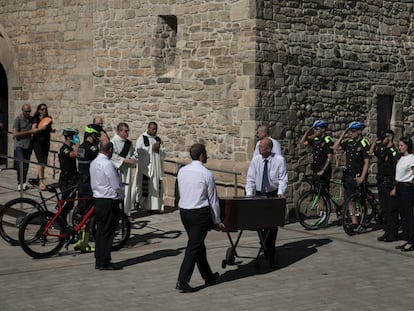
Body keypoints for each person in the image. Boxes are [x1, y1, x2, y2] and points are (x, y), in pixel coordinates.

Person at [176, 143, 225, 292]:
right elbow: (213, 200)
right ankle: (183, 280)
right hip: (199, 213)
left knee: (197, 245)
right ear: (202, 155)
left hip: (184, 211)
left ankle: (208, 275)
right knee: (193, 246)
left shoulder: (182, 171)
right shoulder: (206, 174)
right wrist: (217, 221)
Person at [245, 137, 288, 267]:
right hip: (259, 194)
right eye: (259, 147)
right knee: (260, 222)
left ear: (269, 149)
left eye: (261, 147)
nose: (259, 148)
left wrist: (281, 192)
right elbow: (250, 179)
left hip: (273, 193)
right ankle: (265, 245)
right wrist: (249, 196)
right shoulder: (256, 160)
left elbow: (283, 178)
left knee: (272, 223)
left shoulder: (279, 160)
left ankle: (270, 247)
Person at [90, 141, 125, 270]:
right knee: (108, 231)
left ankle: (99, 258)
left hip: (98, 199)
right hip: (108, 200)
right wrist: (122, 195)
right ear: (110, 150)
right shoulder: (108, 164)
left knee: (100, 230)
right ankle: (104, 260)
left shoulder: (94, 163)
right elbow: (116, 184)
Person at [333, 121, 371, 233]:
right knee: (350, 200)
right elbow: (335, 147)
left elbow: (366, 162)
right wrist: (342, 135)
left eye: (353, 131)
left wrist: (362, 177)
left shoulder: (364, 143)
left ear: (359, 132)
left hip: (358, 175)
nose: (351, 133)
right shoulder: (349, 142)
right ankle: (354, 222)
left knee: (361, 200)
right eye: (350, 131)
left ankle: (363, 223)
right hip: (348, 176)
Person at [299, 119, 334, 223]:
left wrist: (324, 170)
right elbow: (302, 142)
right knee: (318, 192)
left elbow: (329, 157)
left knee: (323, 193)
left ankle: (325, 214)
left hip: (324, 170)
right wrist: (307, 132)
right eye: (314, 129)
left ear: (323, 129)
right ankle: (322, 213)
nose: (315, 131)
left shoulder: (328, 140)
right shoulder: (315, 139)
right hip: (316, 169)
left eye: (316, 129)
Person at [74, 124, 102, 252]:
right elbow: (102, 157)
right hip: (88, 183)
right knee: (88, 214)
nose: (98, 137)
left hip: (81, 182)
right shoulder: (91, 147)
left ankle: (82, 241)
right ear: (93, 134)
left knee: (82, 212)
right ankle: (83, 242)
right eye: (97, 135)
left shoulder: (81, 147)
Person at [368, 130, 398, 242]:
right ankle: (387, 231)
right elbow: (370, 153)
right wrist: (375, 143)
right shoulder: (382, 150)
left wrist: (395, 187)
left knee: (391, 210)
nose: (381, 140)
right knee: (384, 210)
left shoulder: (394, 152)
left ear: (390, 138)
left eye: (383, 138)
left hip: (390, 183)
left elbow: (396, 170)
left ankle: (393, 233)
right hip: (381, 182)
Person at [134, 121, 165, 213]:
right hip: (146, 168)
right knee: (145, 187)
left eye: (156, 129)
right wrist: (151, 148)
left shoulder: (158, 139)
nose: (154, 131)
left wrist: (159, 150)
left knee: (157, 186)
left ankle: (155, 207)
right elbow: (138, 152)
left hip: (156, 168)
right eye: (152, 129)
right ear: (148, 128)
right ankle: (143, 205)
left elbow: (164, 152)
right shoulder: (142, 138)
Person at [12, 104, 45, 190]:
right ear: (22, 110)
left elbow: (37, 123)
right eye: (26, 111)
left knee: (26, 165)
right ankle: (20, 183)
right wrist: (29, 132)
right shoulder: (18, 119)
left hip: (28, 146)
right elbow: (15, 134)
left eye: (29, 111)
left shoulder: (31, 119)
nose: (28, 113)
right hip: (19, 146)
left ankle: (23, 183)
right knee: (21, 164)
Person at [391, 137, 414, 252]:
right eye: (399, 145)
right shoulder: (400, 158)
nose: (399, 147)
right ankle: (405, 238)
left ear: (407, 146)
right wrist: (395, 188)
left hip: (407, 187)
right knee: (403, 215)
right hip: (399, 187)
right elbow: (398, 175)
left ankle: (411, 240)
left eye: (401, 145)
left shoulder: (411, 158)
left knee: (408, 214)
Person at [111, 122, 137, 216]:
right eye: (125, 131)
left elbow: (133, 153)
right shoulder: (113, 142)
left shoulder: (128, 143)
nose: (127, 133)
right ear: (119, 131)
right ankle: (115, 212)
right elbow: (112, 156)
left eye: (128, 131)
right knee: (117, 191)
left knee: (126, 191)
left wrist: (133, 159)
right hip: (117, 170)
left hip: (127, 171)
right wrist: (124, 161)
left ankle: (125, 212)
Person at [58, 127, 80, 216]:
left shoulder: (70, 148)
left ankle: (63, 222)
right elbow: (74, 155)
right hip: (66, 181)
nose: (76, 138)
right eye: (75, 136)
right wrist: (77, 144)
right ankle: (60, 221)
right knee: (65, 204)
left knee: (69, 204)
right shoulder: (65, 148)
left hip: (72, 179)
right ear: (69, 137)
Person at [32, 103, 54, 190]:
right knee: (41, 161)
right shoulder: (36, 119)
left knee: (44, 162)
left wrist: (52, 130)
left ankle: (38, 179)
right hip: (37, 142)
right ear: (38, 110)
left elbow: (49, 130)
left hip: (46, 142)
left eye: (45, 109)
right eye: (42, 109)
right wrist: (41, 128)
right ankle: (41, 182)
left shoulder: (48, 119)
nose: (44, 111)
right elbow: (33, 130)